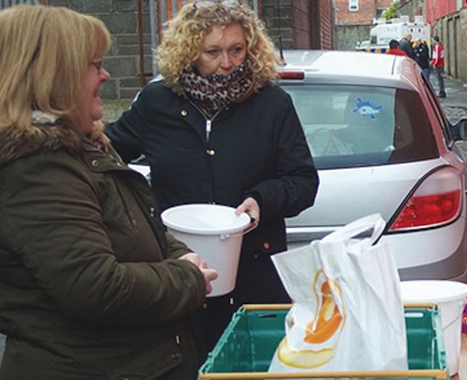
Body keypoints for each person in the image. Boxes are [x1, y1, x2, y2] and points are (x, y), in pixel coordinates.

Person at [0, 5, 217, 380]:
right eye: (95, 65)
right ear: (54, 73)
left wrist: (176, 253)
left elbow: (141, 227)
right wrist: (186, 277)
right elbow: (95, 288)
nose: (105, 76)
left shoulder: (81, 147)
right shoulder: (36, 171)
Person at [105, 0, 319, 352]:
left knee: (250, 379)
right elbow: (106, 156)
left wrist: (262, 201)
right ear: (189, 51)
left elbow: (302, 181)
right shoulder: (157, 102)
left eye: (236, 49)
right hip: (177, 272)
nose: (227, 63)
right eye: (213, 52)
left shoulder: (272, 104)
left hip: (254, 270)